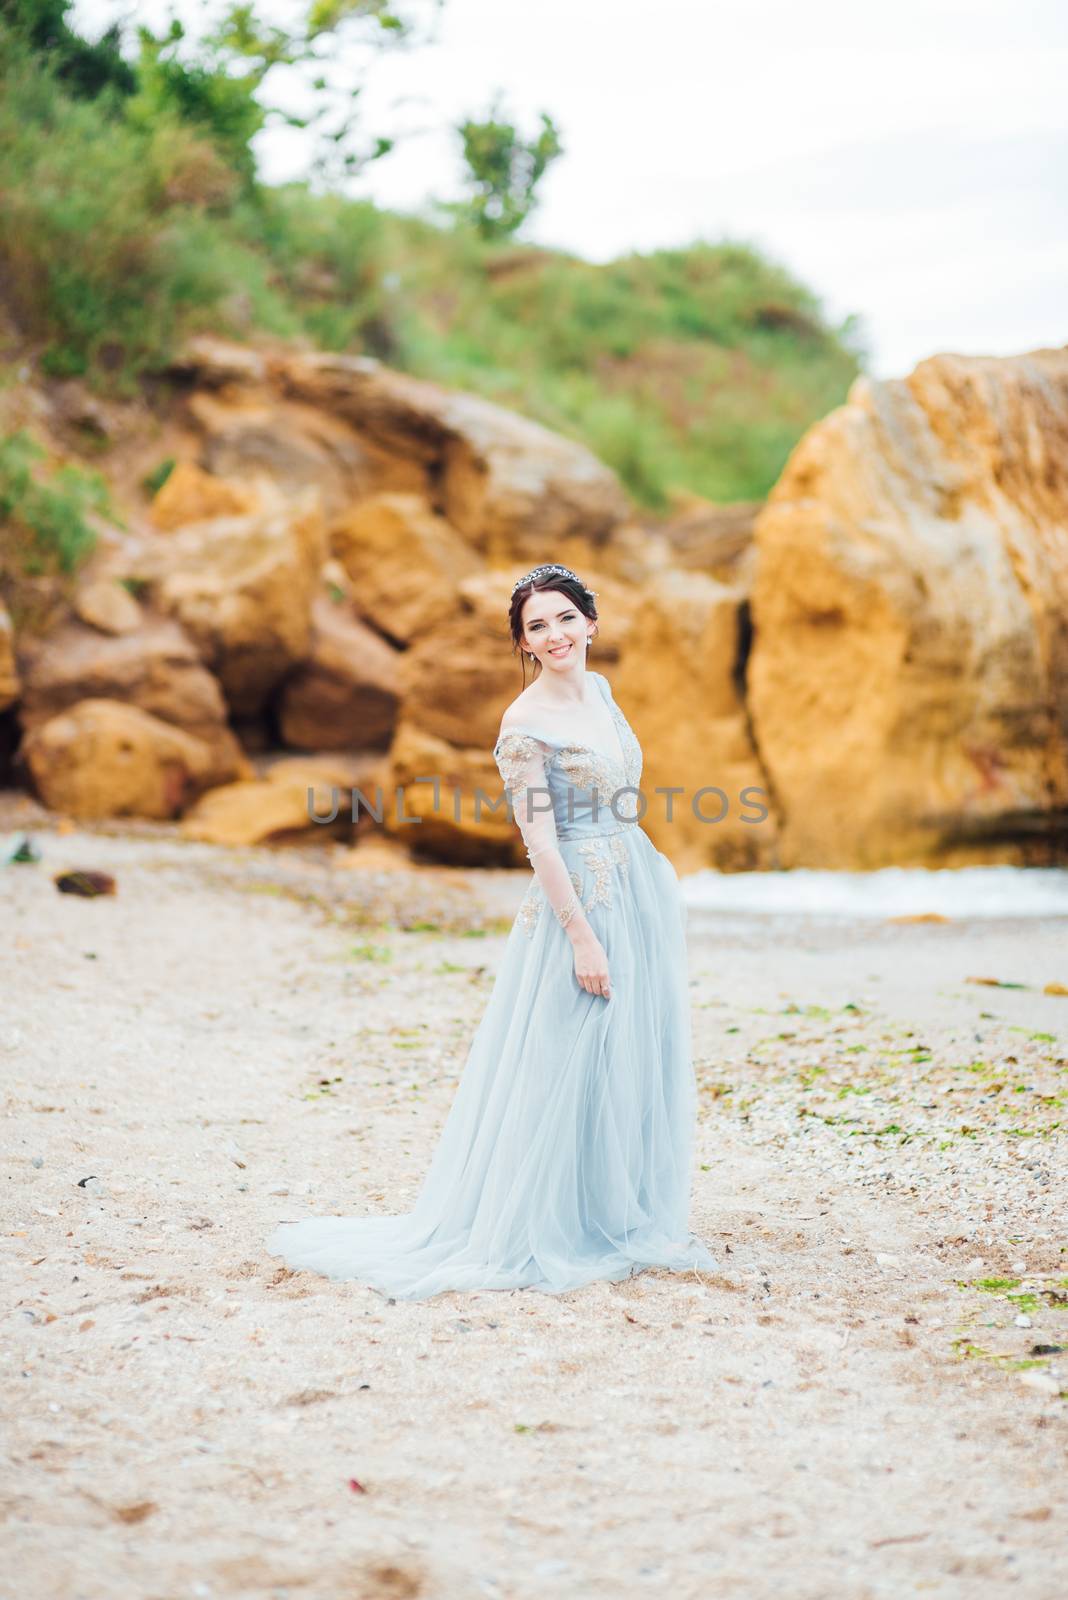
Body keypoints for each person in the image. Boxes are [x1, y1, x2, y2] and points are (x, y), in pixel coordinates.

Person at [265, 563, 719, 1298]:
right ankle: (551, 1222)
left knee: (629, 1052)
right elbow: (539, 842)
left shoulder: (601, 693)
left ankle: (616, 1210)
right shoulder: (524, 724)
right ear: (523, 643)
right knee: (573, 1053)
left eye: (566, 618)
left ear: (591, 623)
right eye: (537, 626)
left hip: (632, 882)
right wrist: (581, 936)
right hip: (580, 898)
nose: (555, 634)